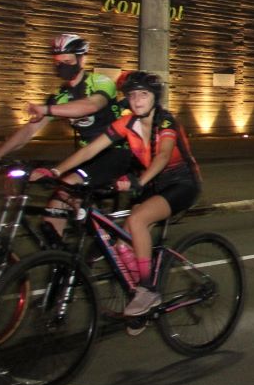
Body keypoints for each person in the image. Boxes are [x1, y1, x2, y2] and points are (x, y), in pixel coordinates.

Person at [33, 72, 201, 317]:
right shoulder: (127, 123)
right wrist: (55, 170)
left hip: (181, 182)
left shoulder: (165, 121)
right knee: (122, 243)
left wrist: (138, 182)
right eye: (132, 95)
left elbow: (163, 156)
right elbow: (91, 150)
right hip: (152, 184)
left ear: (154, 97)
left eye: (143, 94)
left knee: (137, 220)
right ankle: (139, 296)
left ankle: (147, 291)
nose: (137, 100)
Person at [0, 34, 129, 242]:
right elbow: (28, 131)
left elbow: (91, 106)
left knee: (68, 185)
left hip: (114, 152)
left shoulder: (99, 82)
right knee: (52, 211)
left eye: (68, 62)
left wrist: (47, 109)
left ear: (82, 60)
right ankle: (59, 262)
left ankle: (108, 242)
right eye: (58, 63)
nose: (62, 67)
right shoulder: (60, 96)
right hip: (85, 155)